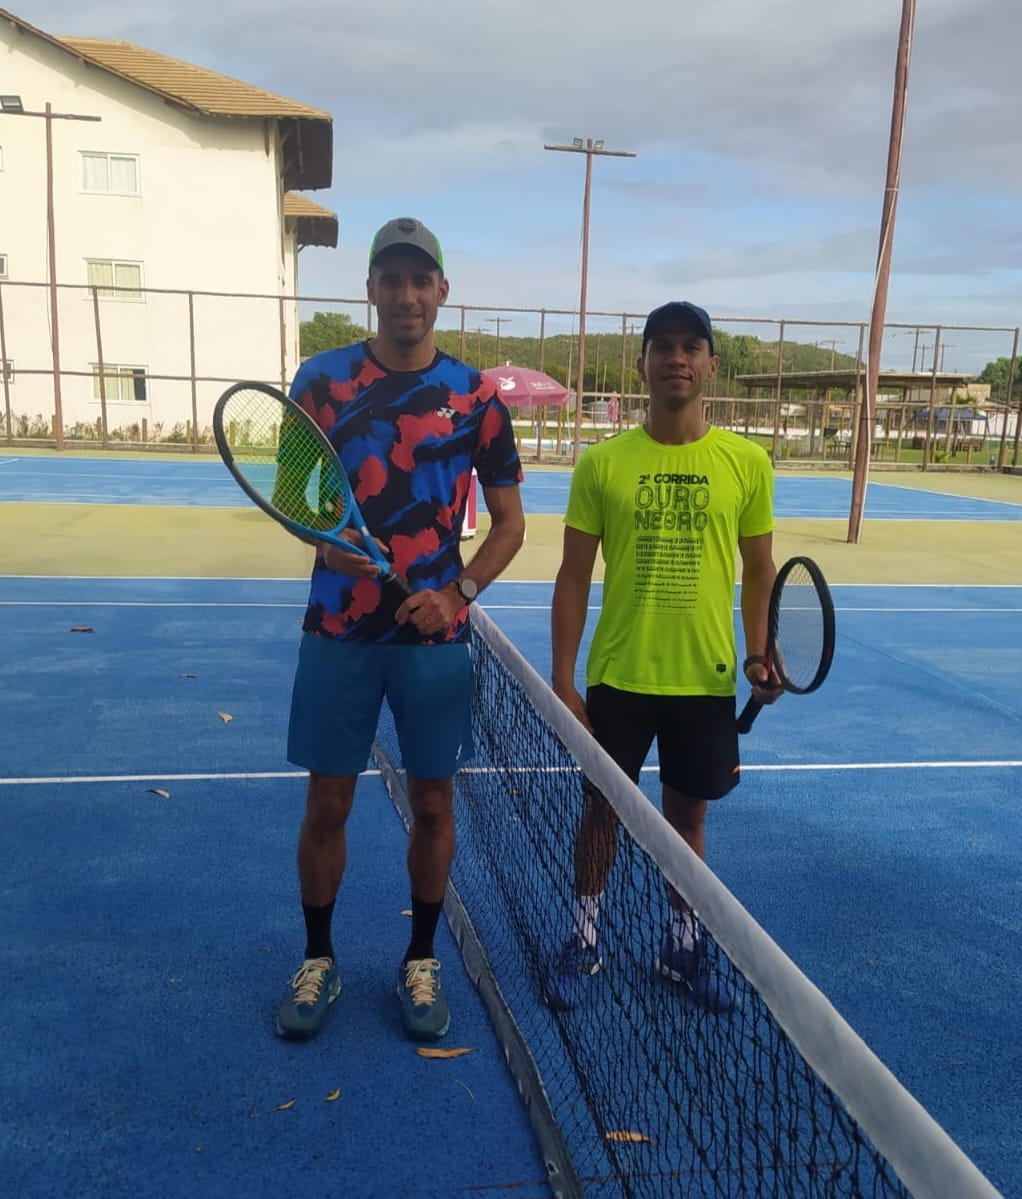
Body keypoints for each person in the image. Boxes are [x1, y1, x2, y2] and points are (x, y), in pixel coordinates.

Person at [276, 218, 526, 1043]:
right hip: (337, 629)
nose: (407, 294)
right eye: (393, 278)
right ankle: (318, 957)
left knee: (433, 803)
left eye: (422, 280)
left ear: (442, 291)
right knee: (327, 803)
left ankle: (420, 959)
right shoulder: (320, 381)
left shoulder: (478, 397)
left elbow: (510, 524)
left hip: (433, 640)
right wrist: (324, 541)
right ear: (371, 289)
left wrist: (459, 594)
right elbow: (294, 499)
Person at [546, 300, 780, 1014]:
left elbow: (759, 569)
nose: (677, 357)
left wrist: (760, 652)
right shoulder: (603, 463)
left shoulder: (747, 463)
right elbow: (573, 575)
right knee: (601, 813)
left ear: (711, 365)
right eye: (663, 346)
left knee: (688, 821)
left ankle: (681, 946)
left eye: (691, 346)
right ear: (643, 363)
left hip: (703, 681)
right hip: (619, 676)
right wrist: (562, 677)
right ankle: (584, 937)